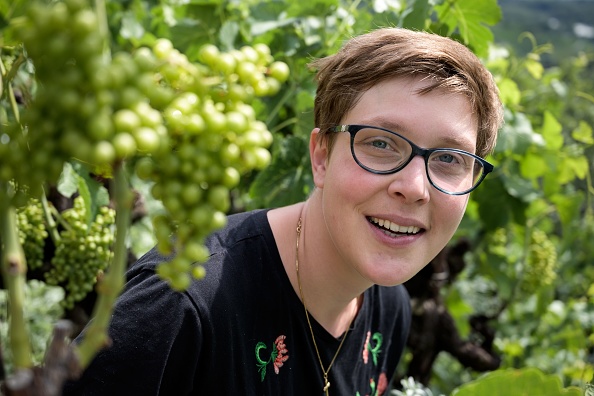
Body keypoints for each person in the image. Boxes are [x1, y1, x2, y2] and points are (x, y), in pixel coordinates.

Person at [63, 27, 503, 395]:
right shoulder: (177, 308)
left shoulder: (390, 310)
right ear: (321, 157)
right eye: (381, 143)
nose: (413, 188)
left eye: (449, 159)